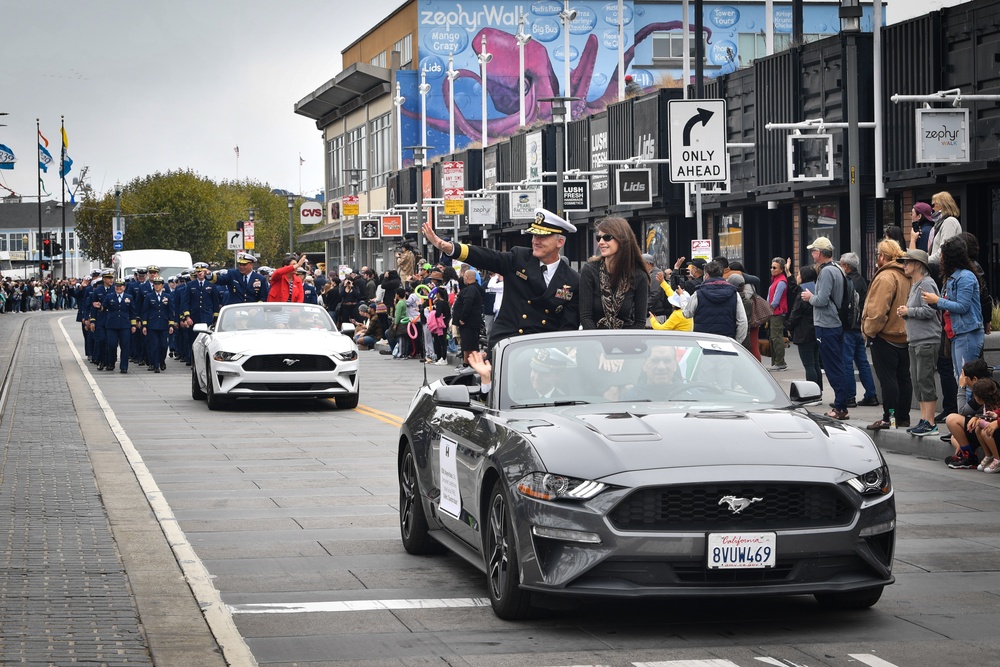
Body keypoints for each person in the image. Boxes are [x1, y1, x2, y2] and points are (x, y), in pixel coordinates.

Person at [422, 208, 580, 350]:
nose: (535, 240)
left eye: (543, 236)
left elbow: (568, 326)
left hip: (544, 351)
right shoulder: (519, 258)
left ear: (560, 242)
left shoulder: (572, 280)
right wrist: (448, 247)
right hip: (510, 343)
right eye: (534, 235)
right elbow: (486, 257)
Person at [923, 236, 985, 410]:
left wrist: (938, 300)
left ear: (949, 257)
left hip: (967, 333)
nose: (940, 258)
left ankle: (966, 421)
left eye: (942, 255)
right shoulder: (953, 277)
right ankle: (963, 420)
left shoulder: (965, 277)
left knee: (966, 379)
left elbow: (963, 306)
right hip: (958, 334)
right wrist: (933, 301)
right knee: (961, 378)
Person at [861, 239, 911, 431]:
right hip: (903, 335)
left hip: (885, 336)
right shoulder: (906, 274)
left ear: (883, 256)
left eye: (878, 255)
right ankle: (902, 418)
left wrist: (868, 330)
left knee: (888, 380)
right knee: (903, 379)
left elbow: (878, 311)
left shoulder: (886, 277)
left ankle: (888, 420)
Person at [801, 237, 853, 420]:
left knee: (832, 367)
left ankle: (840, 407)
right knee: (837, 364)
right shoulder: (838, 268)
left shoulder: (825, 272)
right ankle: (842, 403)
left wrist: (810, 297)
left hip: (827, 324)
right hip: (837, 322)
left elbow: (822, 300)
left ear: (820, 253)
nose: (812, 254)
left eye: (814, 251)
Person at [897, 249, 942, 436]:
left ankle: (930, 422)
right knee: (917, 382)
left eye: (907, 262)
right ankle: (924, 420)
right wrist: (906, 312)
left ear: (918, 264)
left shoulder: (927, 283)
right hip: (915, 340)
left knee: (925, 380)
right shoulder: (916, 284)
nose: (904, 265)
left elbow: (930, 311)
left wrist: (909, 311)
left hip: (927, 340)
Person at [579, 217, 649, 330]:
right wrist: (600, 344)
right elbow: (585, 316)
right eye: (599, 238)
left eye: (607, 237)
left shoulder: (639, 276)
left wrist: (621, 344)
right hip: (594, 341)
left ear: (622, 239)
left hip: (626, 342)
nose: (601, 242)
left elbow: (640, 321)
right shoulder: (589, 270)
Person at [839, 252, 879, 408]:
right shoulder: (861, 280)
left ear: (846, 266)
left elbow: (844, 305)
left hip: (848, 327)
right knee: (862, 362)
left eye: (842, 265)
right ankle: (871, 394)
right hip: (859, 326)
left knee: (847, 362)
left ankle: (850, 397)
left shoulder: (847, 281)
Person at [943, 358, 993, 469]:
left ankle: (969, 456)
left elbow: (962, 412)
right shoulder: (986, 385)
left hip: (986, 428)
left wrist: (961, 387)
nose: (963, 379)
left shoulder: (985, 390)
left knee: (951, 419)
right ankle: (967, 453)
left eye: (964, 377)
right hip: (979, 425)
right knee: (954, 437)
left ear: (974, 379)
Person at [681, 260, 747, 342]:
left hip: (703, 340)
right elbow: (742, 321)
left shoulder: (698, 293)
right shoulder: (734, 294)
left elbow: (687, 313)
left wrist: (682, 297)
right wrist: (736, 342)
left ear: (707, 275)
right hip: (727, 340)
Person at [785, 265, 822, 390]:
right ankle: (819, 391)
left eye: (799, 274)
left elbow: (795, 314)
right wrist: (788, 272)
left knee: (809, 365)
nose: (797, 277)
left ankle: (813, 393)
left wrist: (787, 327)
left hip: (804, 332)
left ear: (804, 276)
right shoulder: (817, 289)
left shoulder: (803, 294)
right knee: (815, 363)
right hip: (817, 330)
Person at [140, 276, 175, 373]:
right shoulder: (149, 296)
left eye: (159, 284)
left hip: (163, 324)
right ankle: (155, 365)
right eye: (155, 284)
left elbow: (171, 311)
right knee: (154, 346)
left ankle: (162, 360)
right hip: (152, 324)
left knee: (164, 345)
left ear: (162, 285)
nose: (157, 286)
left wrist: (171, 324)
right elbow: (145, 311)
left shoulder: (167, 296)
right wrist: (145, 325)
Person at [103, 278, 137, 374]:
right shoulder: (109, 297)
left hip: (125, 325)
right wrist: (99, 307)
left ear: (124, 287)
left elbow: (132, 312)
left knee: (125, 346)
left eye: (120, 286)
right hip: (112, 325)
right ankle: (111, 363)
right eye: (117, 286)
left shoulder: (129, 297)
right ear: (114, 287)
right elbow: (103, 307)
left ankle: (124, 366)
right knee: (112, 345)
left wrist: (133, 324)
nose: (119, 288)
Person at [452, 269, 485, 365]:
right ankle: (471, 363)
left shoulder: (471, 289)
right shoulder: (476, 288)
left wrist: (463, 318)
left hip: (468, 322)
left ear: (467, 277)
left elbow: (468, 303)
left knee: (468, 344)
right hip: (473, 321)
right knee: (471, 343)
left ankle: (467, 364)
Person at [967, 379, 1000, 474]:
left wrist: (980, 421)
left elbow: (990, 424)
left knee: (986, 431)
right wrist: (994, 415)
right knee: (978, 429)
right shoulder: (988, 403)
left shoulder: (995, 403)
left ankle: (997, 459)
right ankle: (989, 455)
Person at [766, 257, 789, 372]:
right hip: (774, 312)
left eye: (774, 267)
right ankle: (776, 362)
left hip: (777, 312)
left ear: (781, 270)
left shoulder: (781, 282)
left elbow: (775, 301)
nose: (772, 269)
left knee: (776, 337)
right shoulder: (776, 280)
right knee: (773, 337)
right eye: (771, 267)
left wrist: (767, 309)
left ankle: (780, 362)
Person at [927, 190, 962, 265]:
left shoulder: (949, 222)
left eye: (933, 205)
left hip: (944, 269)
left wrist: (923, 260)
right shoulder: (942, 223)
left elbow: (943, 253)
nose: (932, 208)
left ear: (941, 205)